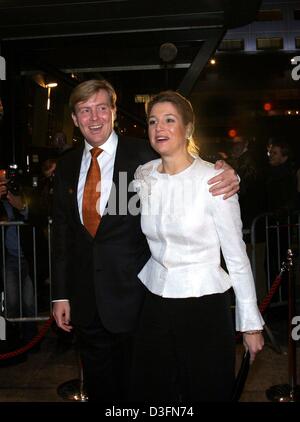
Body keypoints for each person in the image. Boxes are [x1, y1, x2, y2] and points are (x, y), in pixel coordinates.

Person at [51, 80, 240, 402]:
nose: (93, 117)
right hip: (86, 301)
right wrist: (60, 295)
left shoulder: (142, 154)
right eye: (85, 110)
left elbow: (188, 165)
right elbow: (62, 235)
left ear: (113, 112)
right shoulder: (66, 165)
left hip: (136, 302)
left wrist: (229, 172)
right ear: (74, 119)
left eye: (101, 108)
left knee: (144, 390)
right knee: (100, 388)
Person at [130, 91, 264, 402]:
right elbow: (118, 209)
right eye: (152, 121)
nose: (159, 127)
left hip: (203, 304)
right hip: (154, 301)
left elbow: (236, 256)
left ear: (188, 129)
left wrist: (250, 324)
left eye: (169, 120)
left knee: (204, 390)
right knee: (154, 392)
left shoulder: (215, 180)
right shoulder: (143, 175)